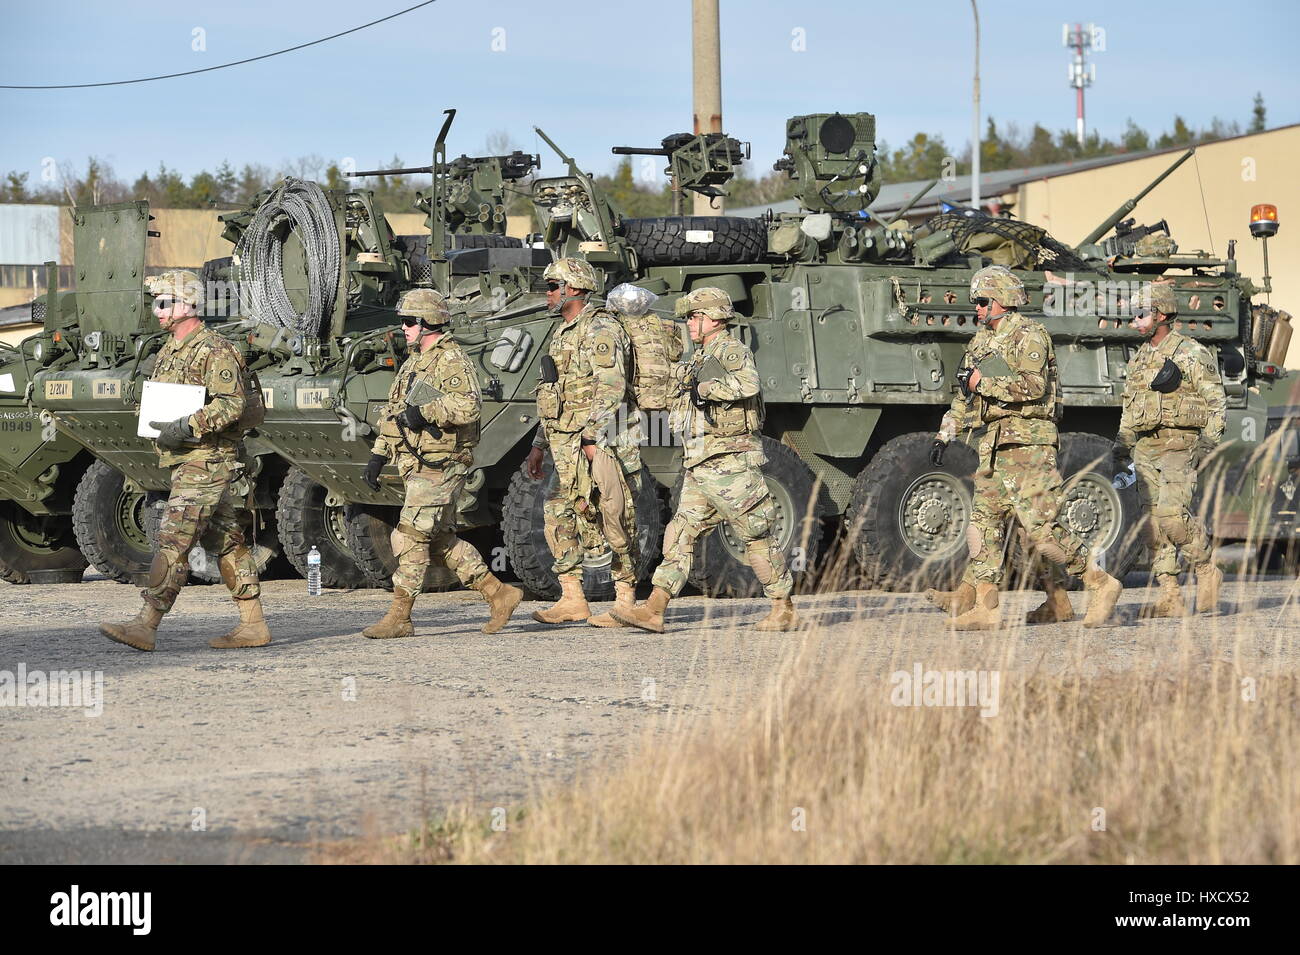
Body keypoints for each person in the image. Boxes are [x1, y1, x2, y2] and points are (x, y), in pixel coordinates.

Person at [929, 265, 1123, 629]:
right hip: (994, 446)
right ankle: (987, 609)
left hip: (1029, 445)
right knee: (982, 526)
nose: (978, 308)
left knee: (1042, 532)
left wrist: (983, 382)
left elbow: (1033, 387)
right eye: (976, 302)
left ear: (1003, 301)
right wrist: (946, 432)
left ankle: (1101, 583)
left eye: (984, 301)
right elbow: (963, 394)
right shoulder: (980, 342)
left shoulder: (1030, 335)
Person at [614, 287, 802, 633]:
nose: (689, 322)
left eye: (695, 316)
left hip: (730, 459)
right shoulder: (700, 355)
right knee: (681, 531)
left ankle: (783, 607)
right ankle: (655, 608)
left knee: (755, 533)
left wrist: (705, 390)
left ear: (715, 318)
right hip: (701, 461)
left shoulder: (730, 350)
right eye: (688, 316)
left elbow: (748, 384)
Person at [100, 270, 270, 651]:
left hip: (207, 460)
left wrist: (187, 426)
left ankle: (146, 624)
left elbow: (232, 403)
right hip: (187, 459)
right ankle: (253, 624)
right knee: (226, 541)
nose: (157, 311)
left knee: (172, 540)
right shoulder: (170, 348)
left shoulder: (214, 348)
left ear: (187, 303)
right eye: (155, 303)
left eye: (164, 302)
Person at [360, 288, 522, 637]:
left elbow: (468, 406)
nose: (402, 328)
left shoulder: (451, 360)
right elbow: (394, 414)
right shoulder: (413, 362)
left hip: (443, 464)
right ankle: (500, 593)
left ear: (427, 322)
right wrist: (377, 455)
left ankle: (400, 616)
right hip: (417, 463)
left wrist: (426, 412)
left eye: (408, 322)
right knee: (438, 541)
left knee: (410, 535)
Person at [525, 257, 642, 627]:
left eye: (551, 287)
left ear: (572, 289)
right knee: (559, 514)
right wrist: (540, 444)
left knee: (615, 517)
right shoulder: (563, 332)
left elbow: (612, 389)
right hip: (566, 449)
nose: (546, 294)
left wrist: (592, 437)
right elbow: (556, 394)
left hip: (599, 445)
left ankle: (626, 601)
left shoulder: (600, 329)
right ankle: (572, 598)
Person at [1113, 283, 1227, 616]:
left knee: (1172, 516)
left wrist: (1209, 442)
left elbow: (1216, 401)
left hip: (1181, 443)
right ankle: (1170, 595)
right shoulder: (1139, 360)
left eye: (1140, 314)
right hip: (1147, 447)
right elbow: (1130, 408)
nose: (1135, 321)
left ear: (1161, 314)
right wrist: (1122, 446)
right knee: (1152, 523)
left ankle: (1206, 569)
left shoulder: (1190, 352)